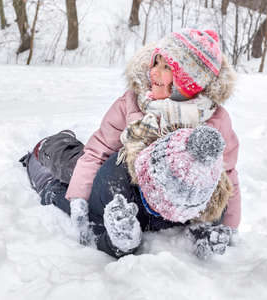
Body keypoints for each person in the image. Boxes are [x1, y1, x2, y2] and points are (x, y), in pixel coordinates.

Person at [20, 29, 240, 259]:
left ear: (188, 82)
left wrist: (229, 226)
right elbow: (98, 151)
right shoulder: (135, 102)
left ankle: (199, 232)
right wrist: (78, 202)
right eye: (157, 62)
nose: (155, 71)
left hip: (163, 198)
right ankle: (50, 146)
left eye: (168, 68)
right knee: (72, 166)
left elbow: (227, 175)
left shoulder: (213, 120)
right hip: (118, 174)